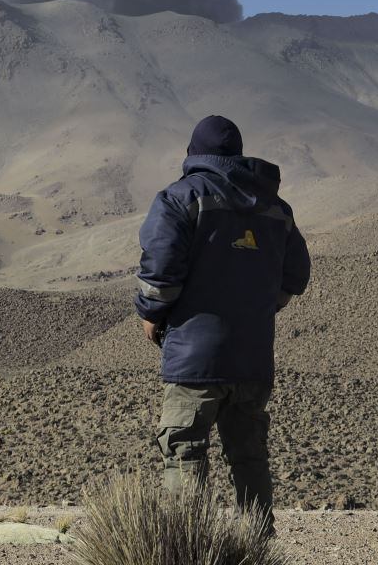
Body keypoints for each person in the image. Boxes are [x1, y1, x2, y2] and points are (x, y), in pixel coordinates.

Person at [134, 114, 311, 532]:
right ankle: (257, 545)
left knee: (184, 451)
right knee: (249, 455)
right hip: (252, 358)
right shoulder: (276, 208)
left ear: (194, 153)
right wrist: (257, 309)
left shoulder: (180, 198)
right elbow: (296, 276)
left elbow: (160, 275)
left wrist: (150, 315)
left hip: (194, 360)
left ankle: (188, 545)